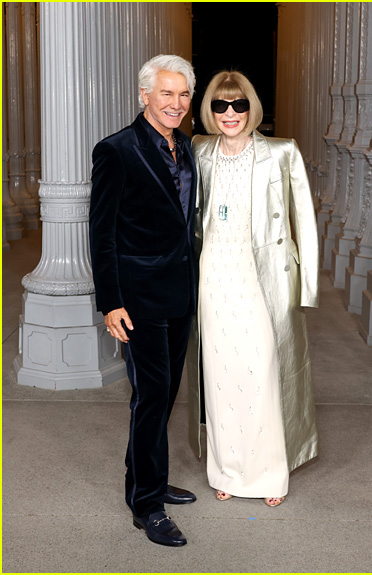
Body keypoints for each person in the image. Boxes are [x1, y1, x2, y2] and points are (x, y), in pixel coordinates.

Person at [187, 70, 319, 507]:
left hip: (261, 274)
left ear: (251, 107)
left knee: (264, 371)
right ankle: (227, 470)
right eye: (220, 105)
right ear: (209, 109)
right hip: (215, 273)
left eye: (238, 104)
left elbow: (305, 220)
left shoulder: (281, 152)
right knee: (221, 376)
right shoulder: (199, 150)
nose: (229, 113)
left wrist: (308, 287)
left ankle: (268, 474)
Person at [89, 54, 198, 547]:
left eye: (183, 95)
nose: (175, 104)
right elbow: (102, 234)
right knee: (152, 398)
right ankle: (147, 506)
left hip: (179, 294)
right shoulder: (116, 150)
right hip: (137, 300)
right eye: (166, 94)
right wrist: (111, 302)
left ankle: (143, 480)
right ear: (144, 96)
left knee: (163, 395)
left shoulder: (188, 147)